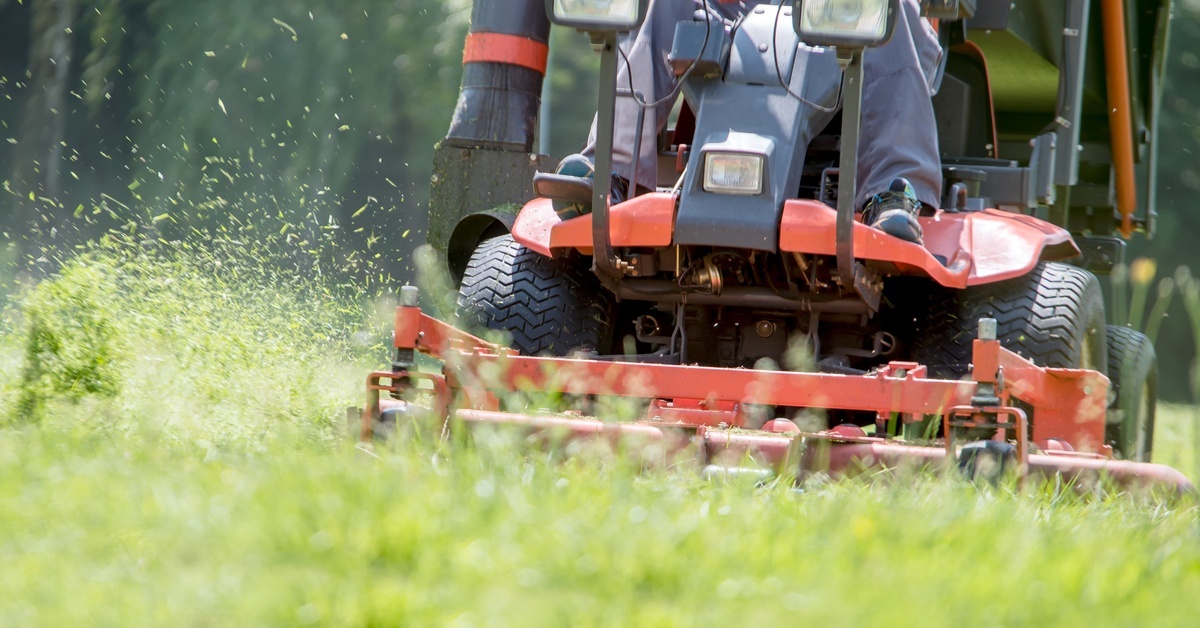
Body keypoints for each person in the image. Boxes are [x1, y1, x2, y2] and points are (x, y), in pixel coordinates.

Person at [558, 0, 944, 245]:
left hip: (842, 13)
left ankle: (894, 194)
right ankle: (612, 170)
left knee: (887, 8)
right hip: (745, 10)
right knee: (666, 3)